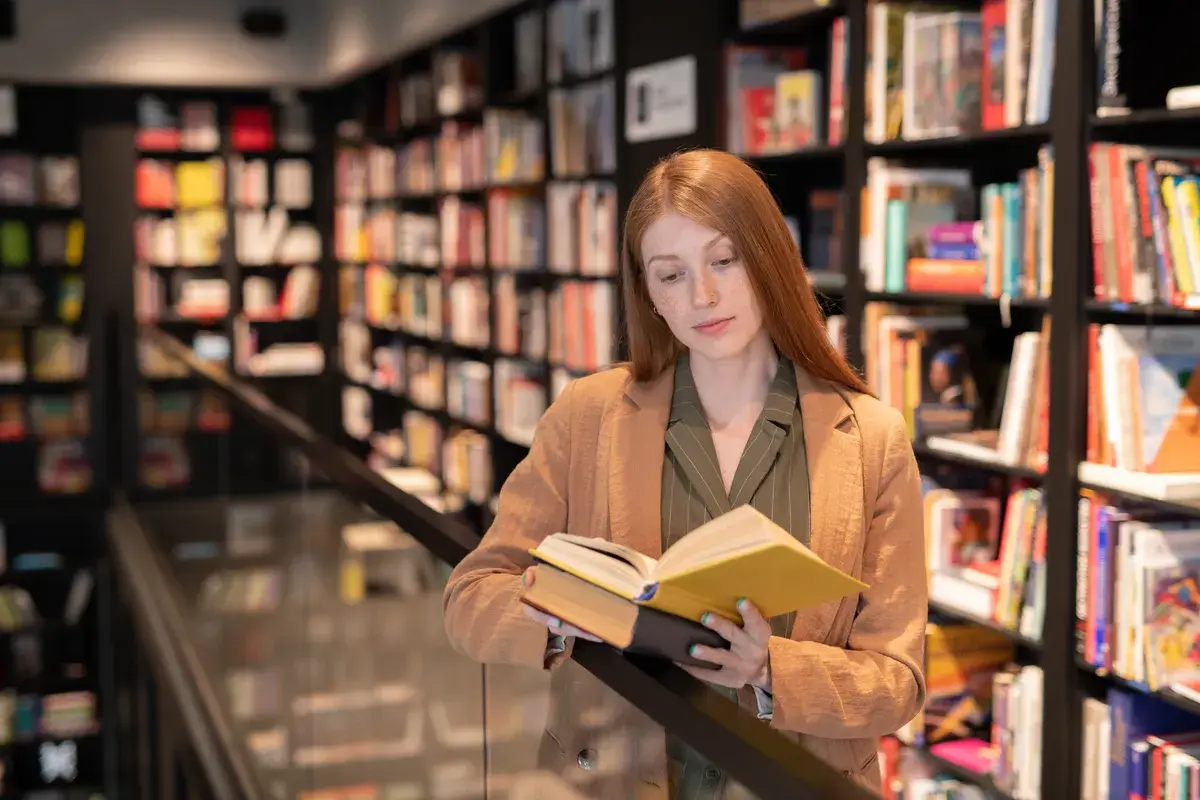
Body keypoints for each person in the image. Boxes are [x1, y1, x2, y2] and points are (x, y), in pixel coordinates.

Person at [442, 149, 927, 796]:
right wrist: (556, 611)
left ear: (770, 258)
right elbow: (470, 599)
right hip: (615, 778)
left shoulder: (870, 437)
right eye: (670, 275)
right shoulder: (588, 416)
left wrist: (771, 670)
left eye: (724, 261)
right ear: (648, 293)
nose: (702, 296)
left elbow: (899, 681)